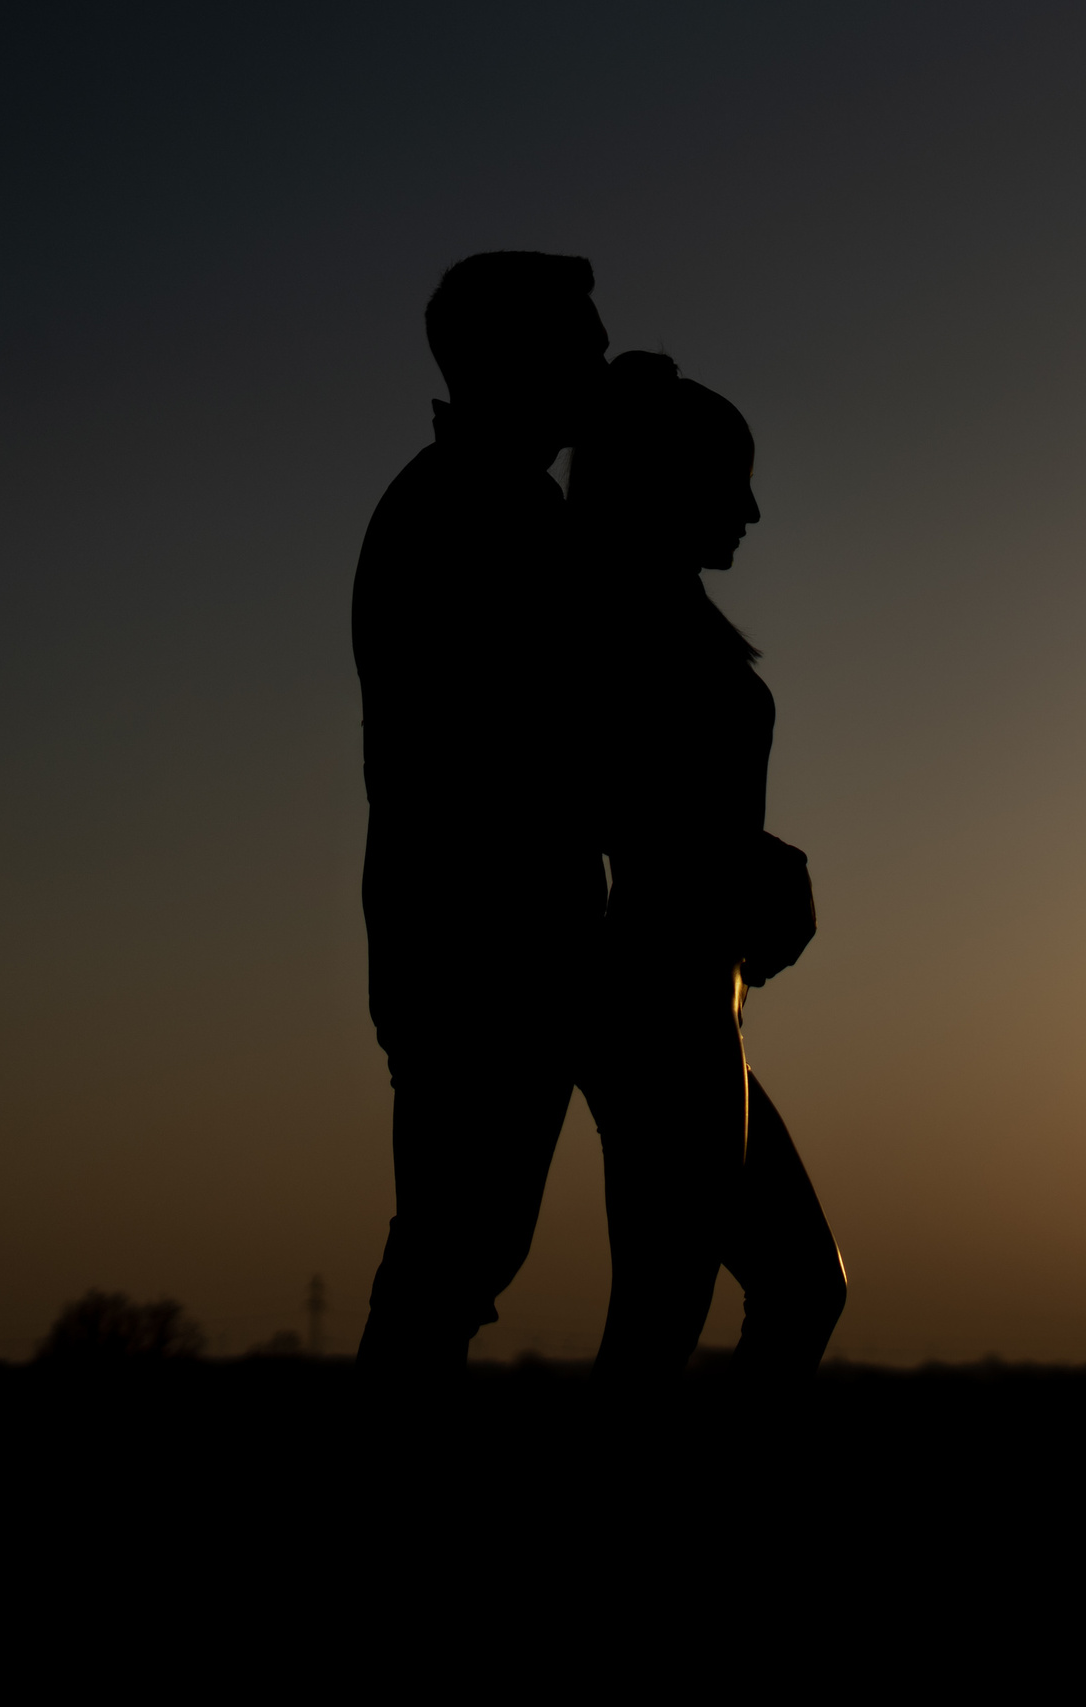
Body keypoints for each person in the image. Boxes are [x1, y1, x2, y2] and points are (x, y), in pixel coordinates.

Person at [351, 252, 611, 1375]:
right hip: (479, 947)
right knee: (456, 1254)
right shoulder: (469, 514)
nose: (601, 360)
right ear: (519, 363)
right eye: (583, 344)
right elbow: (553, 734)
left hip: (492, 941)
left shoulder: (507, 502)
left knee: (460, 1252)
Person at [571, 350, 847, 1382]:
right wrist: (751, 868)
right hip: (657, 996)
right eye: (729, 479)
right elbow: (612, 805)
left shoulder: (659, 622)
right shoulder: (613, 627)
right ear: (661, 486)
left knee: (786, 1287)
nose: (752, 510)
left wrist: (758, 867)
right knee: (668, 1307)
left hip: (696, 995)